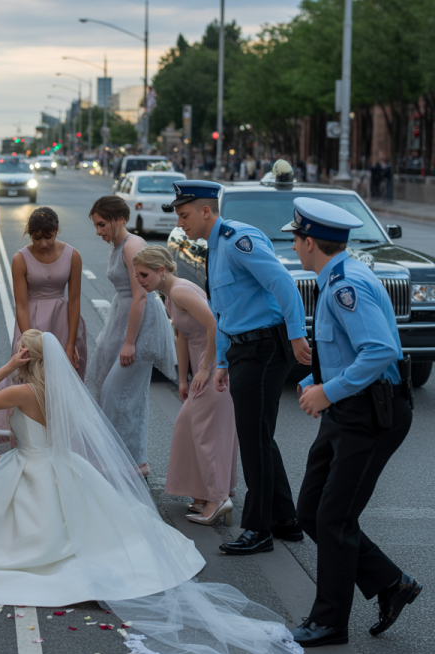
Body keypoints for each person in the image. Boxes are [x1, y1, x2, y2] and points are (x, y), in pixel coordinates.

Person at [0, 330, 303, 654]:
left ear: (26, 356)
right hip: (64, 467)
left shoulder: (23, 390)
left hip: (28, 468)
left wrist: (9, 367)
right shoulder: (59, 391)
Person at [281, 198, 420, 648]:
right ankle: (391, 583)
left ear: (308, 242)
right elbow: (344, 348)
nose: (295, 246)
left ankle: (329, 622)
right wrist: (315, 382)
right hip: (348, 408)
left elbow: (381, 351)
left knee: (335, 517)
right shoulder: (335, 277)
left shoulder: (347, 285)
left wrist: (328, 392)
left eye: (296, 239)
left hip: (370, 414)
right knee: (311, 513)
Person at [163, 172, 310, 556]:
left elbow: (283, 284)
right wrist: (223, 360)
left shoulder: (237, 240)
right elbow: (224, 311)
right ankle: (285, 521)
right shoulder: (213, 247)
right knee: (259, 437)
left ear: (206, 210)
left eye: (184, 214)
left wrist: (297, 335)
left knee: (253, 440)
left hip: (265, 347)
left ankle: (259, 529)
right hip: (245, 350)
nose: (179, 222)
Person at [133, 246, 238, 526]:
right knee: (187, 428)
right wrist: (182, 379)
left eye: (143, 274)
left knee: (207, 434)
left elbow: (215, 324)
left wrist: (205, 368)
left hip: (213, 364)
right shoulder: (169, 296)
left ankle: (217, 499)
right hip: (202, 365)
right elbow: (181, 336)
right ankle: (206, 493)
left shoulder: (179, 291)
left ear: (161, 271)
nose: (139, 279)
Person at [85, 196, 176, 475]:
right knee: (111, 389)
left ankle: (131, 462)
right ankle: (132, 460)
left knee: (118, 393)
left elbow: (141, 297)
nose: (98, 231)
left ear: (119, 220)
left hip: (139, 326)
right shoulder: (118, 245)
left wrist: (129, 343)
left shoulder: (133, 245)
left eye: (102, 224)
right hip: (122, 318)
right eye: (96, 225)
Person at [12, 206, 86, 377]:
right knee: (33, 379)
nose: (43, 243)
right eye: (36, 238)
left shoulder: (73, 255)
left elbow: (74, 301)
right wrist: (28, 341)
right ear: (29, 234)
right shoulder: (20, 259)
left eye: (48, 237)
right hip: (31, 323)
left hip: (64, 322)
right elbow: (21, 305)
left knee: (65, 378)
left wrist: (70, 344)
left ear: (57, 231)